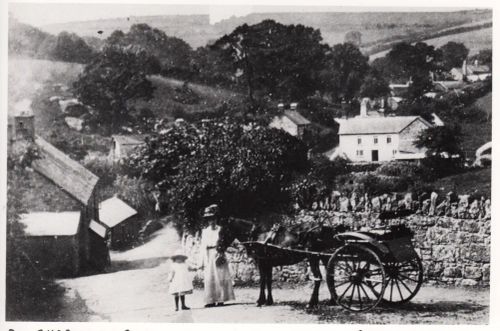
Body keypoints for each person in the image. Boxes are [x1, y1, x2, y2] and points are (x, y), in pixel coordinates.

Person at [199, 204, 235, 308]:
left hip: (218, 253)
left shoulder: (221, 230)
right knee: (209, 277)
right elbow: (203, 246)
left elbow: (225, 243)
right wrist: (201, 260)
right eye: (209, 219)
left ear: (216, 219)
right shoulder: (205, 231)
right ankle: (210, 300)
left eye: (213, 219)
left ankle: (220, 299)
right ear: (207, 221)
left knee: (220, 276)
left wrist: (221, 252)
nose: (212, 221)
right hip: (209, 254)